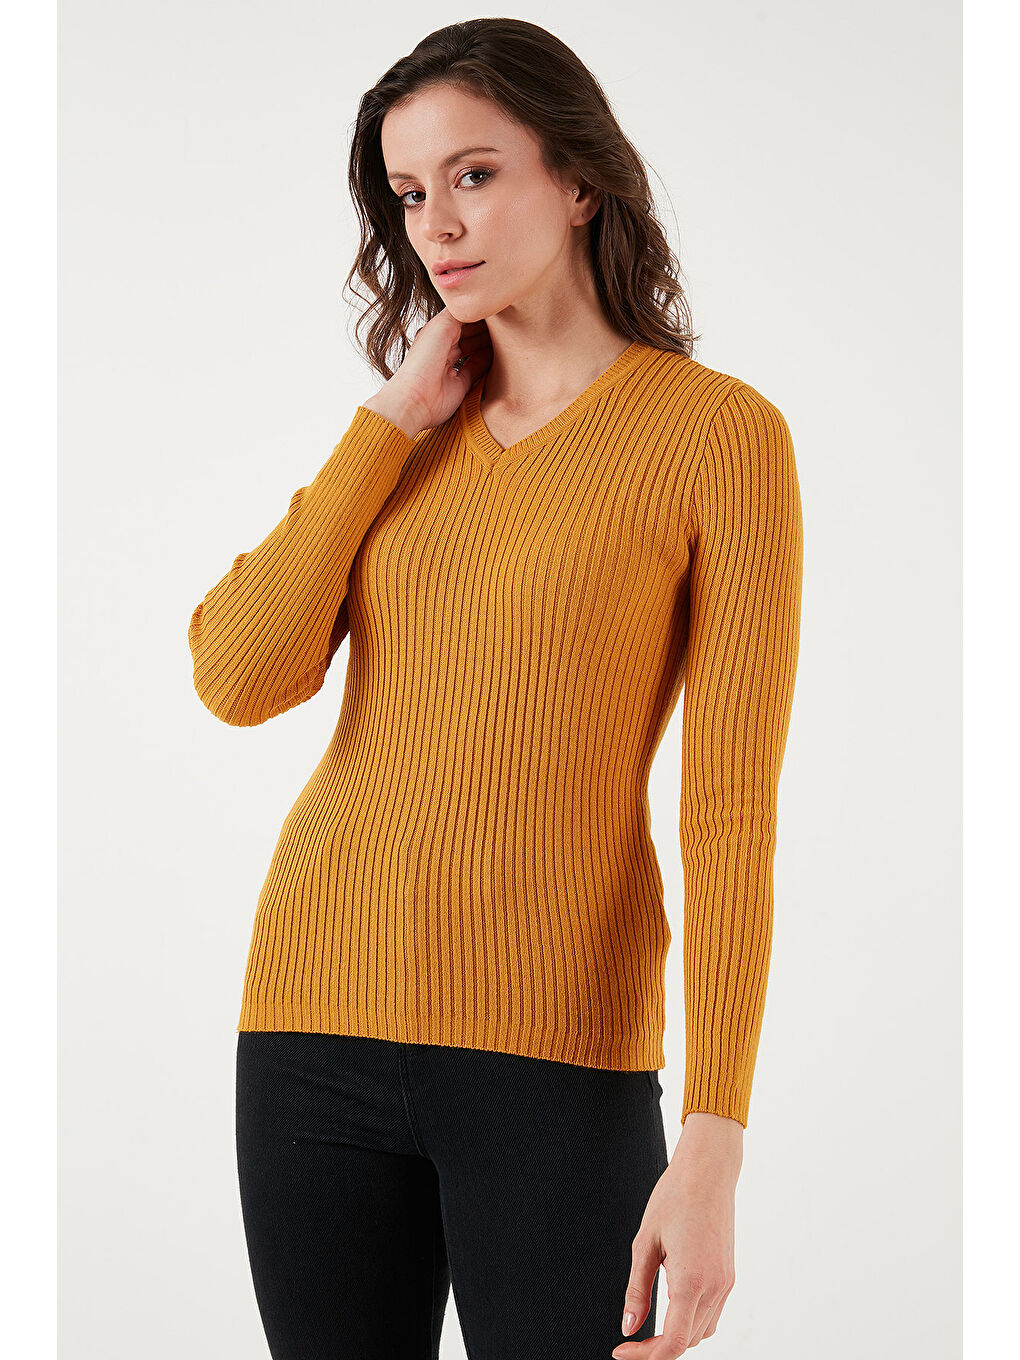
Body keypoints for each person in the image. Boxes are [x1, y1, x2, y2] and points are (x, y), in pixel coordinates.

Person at [187, 17, 804, 1360]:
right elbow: (236, 675)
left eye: (474, 174)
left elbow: (729, 809)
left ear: (579, 180)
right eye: (410, 193)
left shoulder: (719, 437)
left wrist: (713, 1141)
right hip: (309, 1024)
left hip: (557, 1057)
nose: (439, 224)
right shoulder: (406, 438)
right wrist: (384, 426)